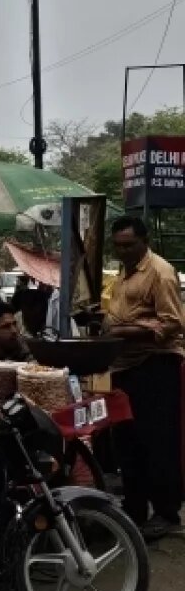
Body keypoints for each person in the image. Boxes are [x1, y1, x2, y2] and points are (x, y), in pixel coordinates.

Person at [104, 216, 184, 541]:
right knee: (129, 442)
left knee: (158, 442)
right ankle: (135, 509)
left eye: (129, 245)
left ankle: (166, 513)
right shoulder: (124, 273)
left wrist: (122, 331)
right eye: (118, 246)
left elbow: (172, 324)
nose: (122, 251)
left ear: (144, 241)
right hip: (125, 368)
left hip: (156, 365)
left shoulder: (160, 272)